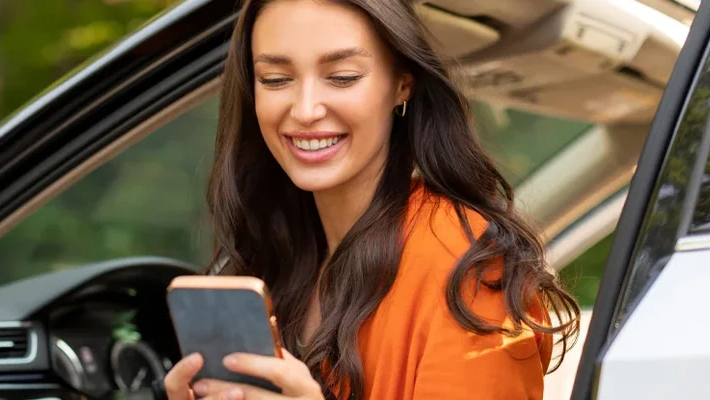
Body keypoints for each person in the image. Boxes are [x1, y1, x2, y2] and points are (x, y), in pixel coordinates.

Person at [162, 0, 582, 399]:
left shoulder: (467, 264)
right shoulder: (280, 252)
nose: (305, 109)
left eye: (342, 76)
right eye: (275, 79)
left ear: (402, 83)